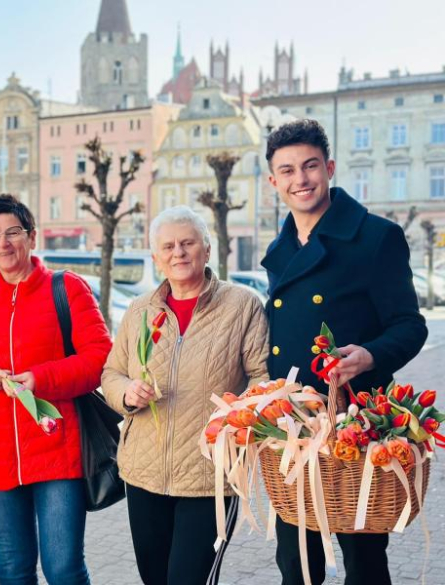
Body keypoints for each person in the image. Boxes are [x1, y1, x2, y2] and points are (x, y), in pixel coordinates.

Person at [261, 119, 428, 585]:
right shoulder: (280, 247)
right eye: (288, 171)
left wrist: (371, 356)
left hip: (357, 423)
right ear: (273, 182)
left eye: (310, 166)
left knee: (364, 557)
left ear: (330, 167)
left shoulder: (376, 237)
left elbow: (409, 325)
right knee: (295, 560)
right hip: (294, 423)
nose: (301, 180)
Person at [101, 206, 269, 585]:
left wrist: (236, 422)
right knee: (155, 579)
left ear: (206, 250)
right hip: (143, 474)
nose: (178, 252)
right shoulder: (140, 310)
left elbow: (263, 378)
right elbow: (111, 373)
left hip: (209, 475)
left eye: (188, 243)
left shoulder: (242, 306)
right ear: (156, 258)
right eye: (168, 246)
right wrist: (127, 392)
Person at [0, 194, 111, 585]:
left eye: (13, 233)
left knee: (64, 570)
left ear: (32, 237)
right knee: (13, 572)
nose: (2, 244)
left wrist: (42, 378)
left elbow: (100, 358)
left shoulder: (67, 288)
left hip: (58, 452)